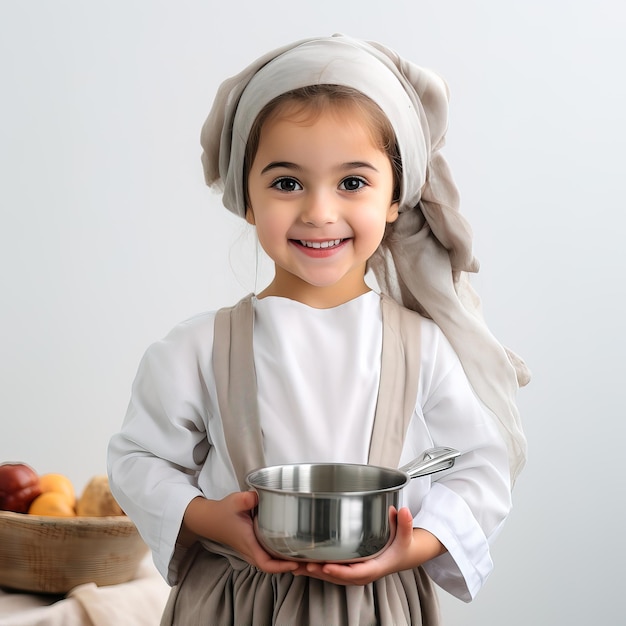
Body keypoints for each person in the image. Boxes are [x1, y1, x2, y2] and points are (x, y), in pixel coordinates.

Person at [107, 34, 529, 625]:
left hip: (375, 607)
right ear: (247, 198)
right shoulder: (196, 349)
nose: (319, 211)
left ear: (393, 198)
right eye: (286, 182)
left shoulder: (421, 347)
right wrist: (205, 516)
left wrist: (419, 542)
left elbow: (482, 465)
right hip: (231, 604)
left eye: (352, 182)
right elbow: (137, 459)